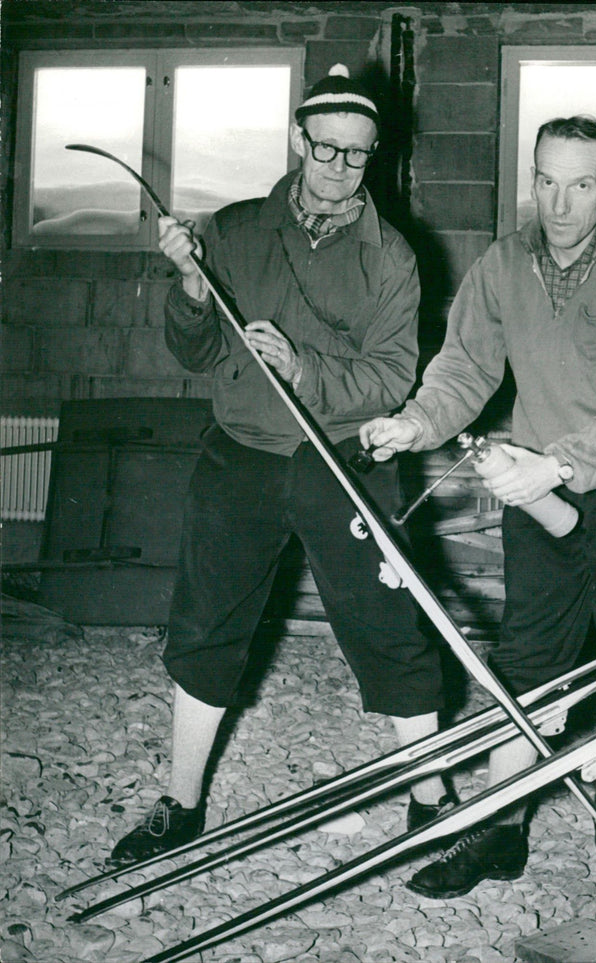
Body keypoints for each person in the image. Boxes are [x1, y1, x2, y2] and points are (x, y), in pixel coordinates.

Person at [109, 65, 454, 866]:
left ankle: (431, 793)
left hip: (345, 460)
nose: (338, 170)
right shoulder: (234, 230)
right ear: (299, 139)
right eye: (325, 149)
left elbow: (390, 379)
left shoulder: (394, 258)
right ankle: (182, 802)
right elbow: (193, 353)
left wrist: (303, 370)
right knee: (205, 624)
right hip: (243, 455)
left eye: (357, 156)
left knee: (389, 626)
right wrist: (193, 286)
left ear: (375, 156)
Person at [360, 115, 596, 898]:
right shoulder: (502, 264)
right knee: (529, 662)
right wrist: (417, 421)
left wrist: (557, 463)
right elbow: (465, 366)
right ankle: (500, 829)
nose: (562, 202)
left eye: (582, 184)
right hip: (541, 492)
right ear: (532, 177)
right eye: (547, 180)